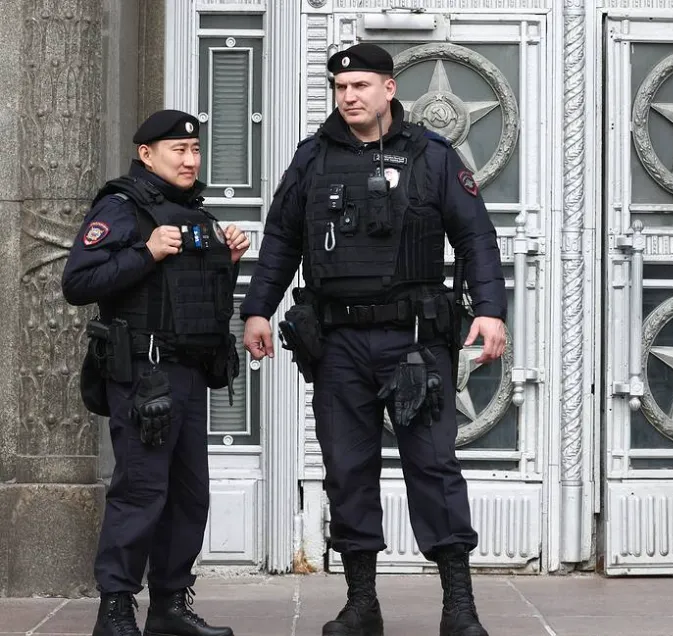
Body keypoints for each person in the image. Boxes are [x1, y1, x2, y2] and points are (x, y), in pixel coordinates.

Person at [241, 43, 507, 636]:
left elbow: (476, 237)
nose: (349, 97)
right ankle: (362, 605)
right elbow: (281, 238)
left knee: (433, 467)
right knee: (347, 469)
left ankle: (459, 608)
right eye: (341, 88)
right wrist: (257, 310)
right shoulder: (313, 158)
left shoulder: (432, 156)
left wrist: (490, 311)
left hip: (415, 342)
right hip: (338, 345)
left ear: (389, 88)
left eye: (360, 86)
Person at [62, 109, 250, 636]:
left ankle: (168, 607)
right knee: (141, 492)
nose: (191, 160)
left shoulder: (195, 213)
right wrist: (145, 252)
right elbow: (78, 282)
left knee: (190, 496)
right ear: (146, 155)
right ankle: (115, 609)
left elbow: (195, 299)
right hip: (144, 376)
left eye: (196, 150)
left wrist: (230, 259)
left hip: (188, 373)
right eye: (179, 151)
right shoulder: (121, 208)